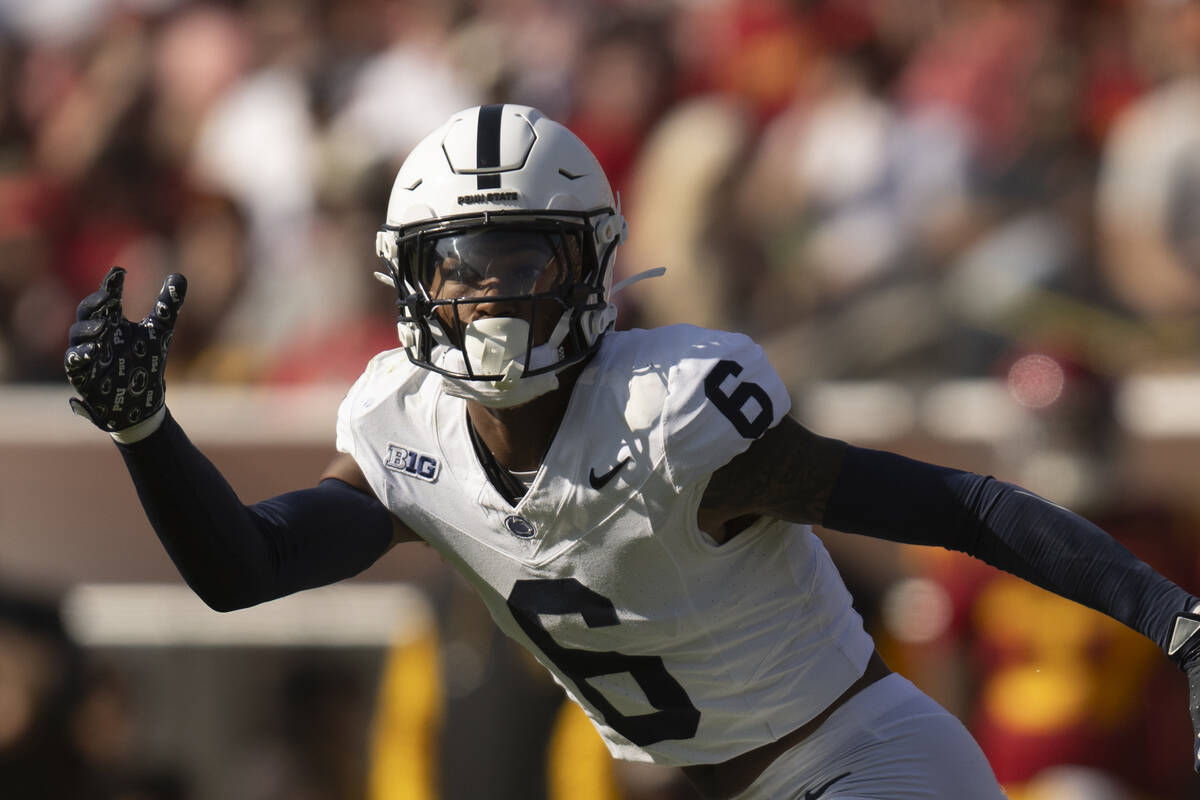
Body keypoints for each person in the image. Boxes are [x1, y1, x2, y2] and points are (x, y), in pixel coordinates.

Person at [62, 104, 1200, 799]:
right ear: (411, 282)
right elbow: (245, 569)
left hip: (871, 765)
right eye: (464, 263)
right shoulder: (400, 426)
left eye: (525, 259)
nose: (495, 294)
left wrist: (1172, 617)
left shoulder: (677, 411)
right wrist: (145, 433)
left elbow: (964, 507)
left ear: (590, 265)